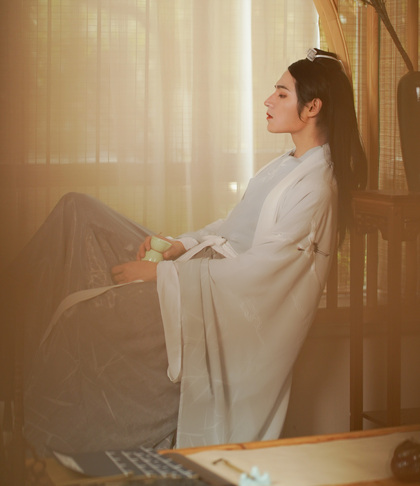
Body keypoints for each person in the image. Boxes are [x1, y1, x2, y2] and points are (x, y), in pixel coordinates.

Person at [4, 48, 367, 455]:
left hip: (211, 298)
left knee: (82, 318)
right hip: (197, 267)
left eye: (282, 94)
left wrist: (163, 274)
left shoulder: (317, 186)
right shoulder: (284, 164)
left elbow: (265, 272)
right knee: (78, 211)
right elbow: (231, 226)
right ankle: (11, 317)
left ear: (312, 107)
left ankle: (26, 397)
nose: (268, 100)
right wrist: (179, 244)